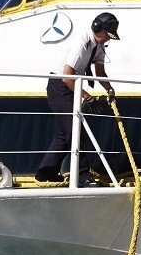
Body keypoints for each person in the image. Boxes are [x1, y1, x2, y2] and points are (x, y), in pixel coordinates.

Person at [35, 12, 119, 184]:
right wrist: (87, 97)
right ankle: (81, 175)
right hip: (59, 85)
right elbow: (67, 76)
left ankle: (46, 172)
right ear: (98, 29)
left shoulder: (99, 46)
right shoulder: (81, 43)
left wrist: (109, 89)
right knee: (75, 131)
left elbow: (100, 72)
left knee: (65, 132)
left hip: (73, 86)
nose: (107, 40)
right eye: (107, 36)